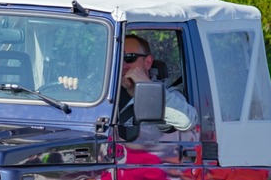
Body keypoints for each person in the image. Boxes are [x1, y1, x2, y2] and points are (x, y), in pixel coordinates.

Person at [60, 34, 198, 132]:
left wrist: (147, 87)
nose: (123, 65)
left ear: (148, 62)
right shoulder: (101, 92)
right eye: (119, 59)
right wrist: (71, 91)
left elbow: (186, 120)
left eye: (129, 58)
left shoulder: (168, 92)